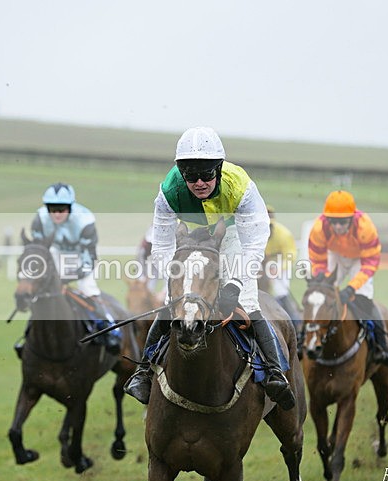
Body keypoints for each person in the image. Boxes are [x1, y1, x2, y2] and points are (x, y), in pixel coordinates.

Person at [123, 126, 296, 410]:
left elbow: (254, 243)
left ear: (218, 168)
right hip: (191, 239)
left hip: (234, 236)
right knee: (171, 303)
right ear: (181, 173)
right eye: (191, 176)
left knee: (249, 300)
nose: (200, 182)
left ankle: (276, 373)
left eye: (207, 174)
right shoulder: (168, 191)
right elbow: (163, 247)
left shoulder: (240, 185)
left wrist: (234, 285)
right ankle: (143, 372)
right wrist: (175, 284)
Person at [15, 182, 121, 355]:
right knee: (39, 292)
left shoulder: (85, 220)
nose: (56, 213)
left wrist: (65, 279)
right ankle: (29, 334)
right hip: (53, 255)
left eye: (62, 208)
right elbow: (40, 250)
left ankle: (108, 327)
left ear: (70, 207)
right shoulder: (40, 219)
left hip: (83, 256)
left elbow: (89, 258)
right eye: (52, 208)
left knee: (88, 289)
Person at [307, 190, 388, 365]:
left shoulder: (365, 227)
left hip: (359, 259)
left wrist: (351, 288)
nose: (338, 227)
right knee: (318, 296)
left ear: (352, 218)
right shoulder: (319, 229)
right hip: (335, 255)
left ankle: (381, 346)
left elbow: (370, 264)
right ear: (327, 219)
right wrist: (324, 281)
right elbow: (317, 260)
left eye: (343, 222)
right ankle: (302, 339)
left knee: (363, 299)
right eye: (334, 222)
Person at [263, 206, 303, 332]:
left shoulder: (284, 234)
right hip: (260, 261)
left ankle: (296, 323)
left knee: (280, 290)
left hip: (278, 261)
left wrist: (279, 269)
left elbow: (291, 256)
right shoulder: (252, 232)